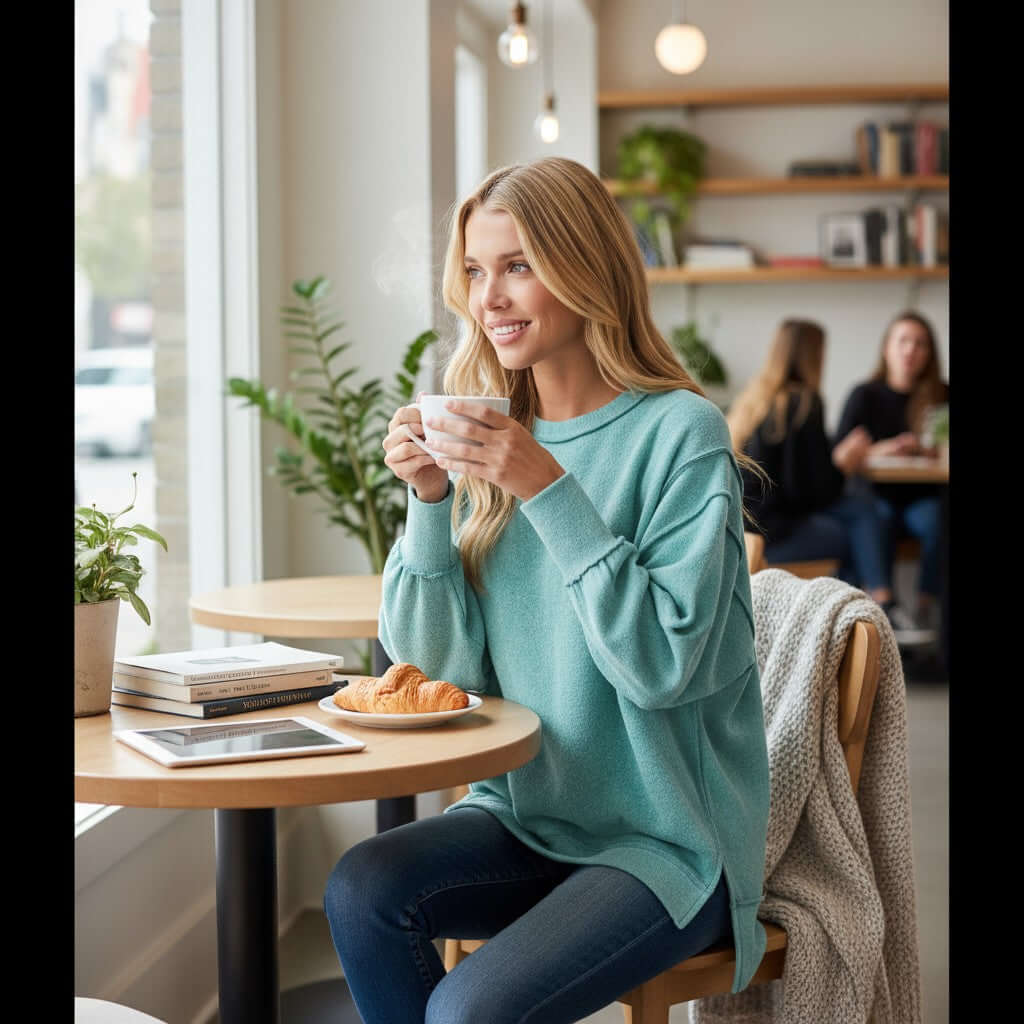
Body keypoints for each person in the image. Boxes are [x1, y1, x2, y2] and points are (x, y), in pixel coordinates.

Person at [322, 156, 771, 1024]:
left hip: (666, 844)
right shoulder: (493, 432)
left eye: (518, 266)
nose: (489, 298)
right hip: (526, 818)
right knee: (363, 887)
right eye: (475, 271)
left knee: (467, 1012)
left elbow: (660, 671)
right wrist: (429, 502)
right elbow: (436, 671)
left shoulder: (680, 434)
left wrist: (546, 487)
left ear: (585, 267)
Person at [726, 318, 887, 597]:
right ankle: (866, 607)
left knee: (859, 511)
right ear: (813, 356)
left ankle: (872, 602)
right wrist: (844, 464)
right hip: (773, 537)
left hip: (741, 533)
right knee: (856, 531)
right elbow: (812, 494)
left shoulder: (753, 402)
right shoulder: (805, 403)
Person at [832, 310, 949, 642]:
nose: (910, 350)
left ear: (929, 353)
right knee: (875, 521)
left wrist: (928, 450)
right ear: (887, 348)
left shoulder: (941, 395)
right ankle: (885, 613)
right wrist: (884, 449)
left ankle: (926, 606)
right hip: (876, 499)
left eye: (920, 343)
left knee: (937, 520)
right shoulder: (864, 394)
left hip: (923, 498)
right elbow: (839, 454)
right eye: (903, 341)